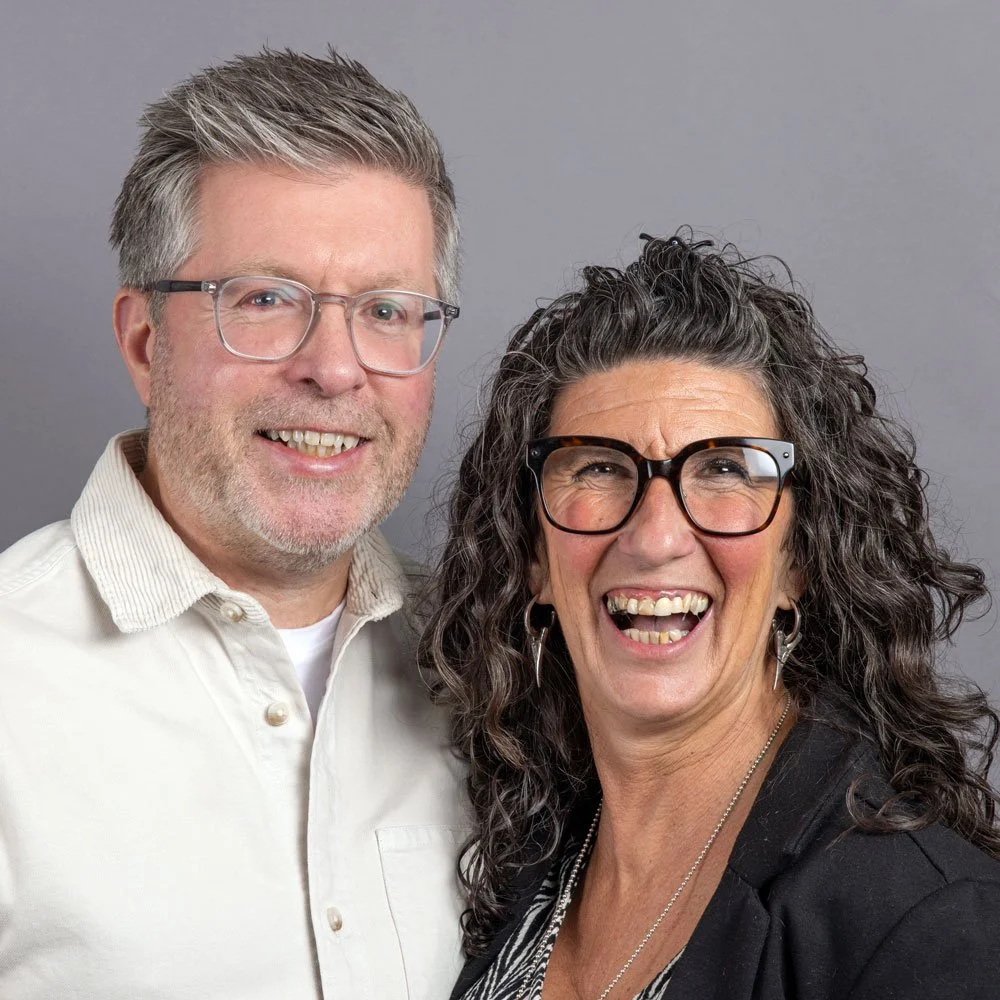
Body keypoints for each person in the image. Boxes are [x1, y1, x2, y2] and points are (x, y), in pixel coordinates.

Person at [0, 48, 471, 1000]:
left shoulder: (489, 675)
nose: (335, 369)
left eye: (387, 310)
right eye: (265, 300)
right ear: (144, 342)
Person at [424, 233, 1000, 1000]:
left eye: (725, 469)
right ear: (534, 559)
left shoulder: (922, 919)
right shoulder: (534, 853)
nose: (656, 537)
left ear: (799, 559)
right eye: (598, 466)